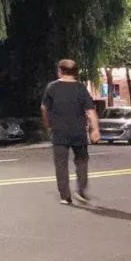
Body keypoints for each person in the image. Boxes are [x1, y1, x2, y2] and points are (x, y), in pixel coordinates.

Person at [41, 59, 100, 204]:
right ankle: (81, 190)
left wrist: (48, 125)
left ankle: (65, 196)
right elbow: (90, 110)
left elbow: (44, 108)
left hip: (59, 132)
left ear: (60, 71)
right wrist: (95, 130)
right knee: (82, 161)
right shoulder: (80, 88)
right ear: (75, 73)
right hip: (78, 132)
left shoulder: (52, 87)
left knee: (61, 164)